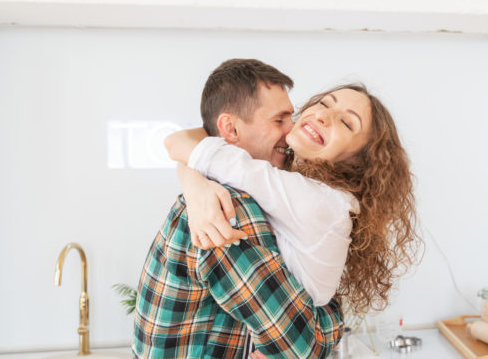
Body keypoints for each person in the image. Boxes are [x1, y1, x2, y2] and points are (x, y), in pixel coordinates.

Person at [166, 82, 421, 359]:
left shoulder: (321, 202)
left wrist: (195, 187)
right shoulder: (300, 185)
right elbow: (197, 150)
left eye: (346, 123)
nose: (323, 116)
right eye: (324, 104)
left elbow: (182, 145)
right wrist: (195, 188)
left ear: (358, 161)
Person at [132, 59, 344, 359]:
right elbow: (303, 348)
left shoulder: (238, 196)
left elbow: (314, 302)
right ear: (230, 128)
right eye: (279, 120)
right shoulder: (228, 208)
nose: (292, 131)